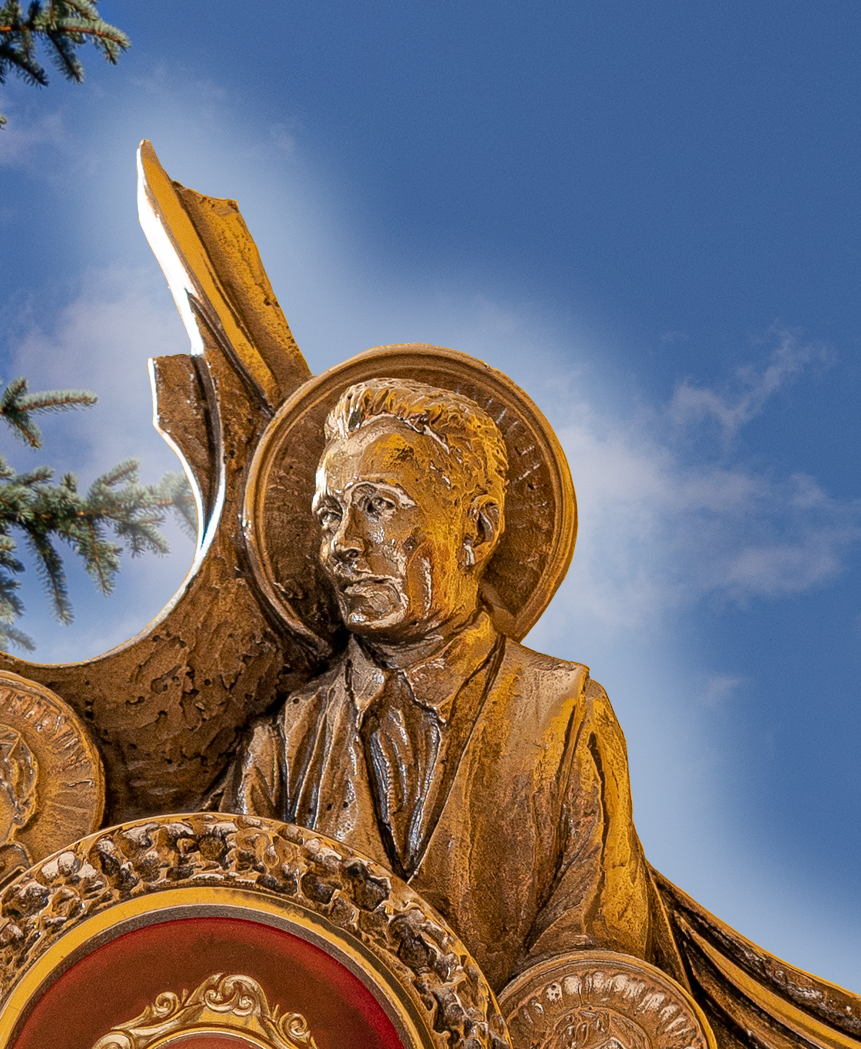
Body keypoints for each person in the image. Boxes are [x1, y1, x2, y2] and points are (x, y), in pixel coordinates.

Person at [230, 376, 656, 987]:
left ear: (477, 531)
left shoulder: (566, 717)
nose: (341, 546)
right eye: (330, 515)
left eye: (377, 506)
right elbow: (241, 950)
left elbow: (593, 968)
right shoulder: (283, 743)